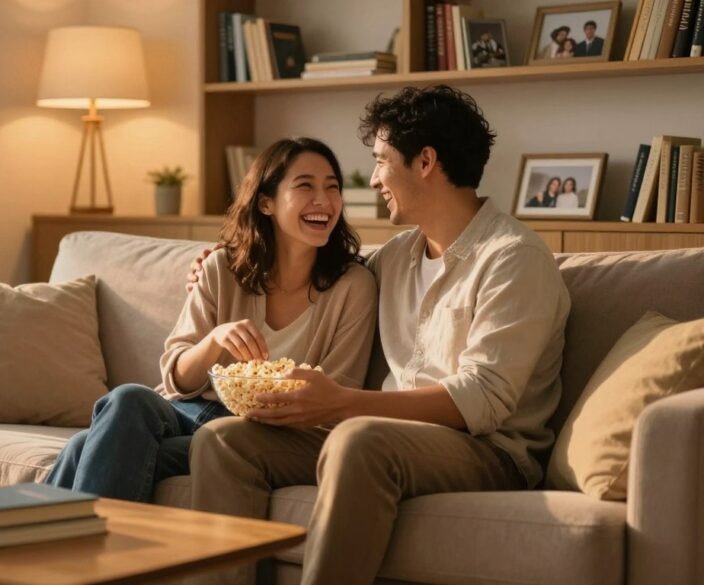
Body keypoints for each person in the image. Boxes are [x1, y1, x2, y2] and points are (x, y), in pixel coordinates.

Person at [185, 85, 571, 584]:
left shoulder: (513, 258)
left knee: (359, 438)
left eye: (381, 161)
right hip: (385, 438)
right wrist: (218, 261)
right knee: (223, 440)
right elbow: (312, 271)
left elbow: (484, 400)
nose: (372, 179)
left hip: (486, 451)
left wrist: (342, 402)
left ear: (426, 161)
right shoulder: (394, 259)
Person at [45, 137, 377, 503]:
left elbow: (336, 396)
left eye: (333, 187)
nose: (324, 201)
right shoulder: (223, 268)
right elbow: (175, 378)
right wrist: (214, 340)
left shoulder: (353, 286)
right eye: (305, 186)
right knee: (127, 400)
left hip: (259, 435)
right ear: (266, 202)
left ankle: (43, 549)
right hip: (188, 409)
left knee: (85, 447)